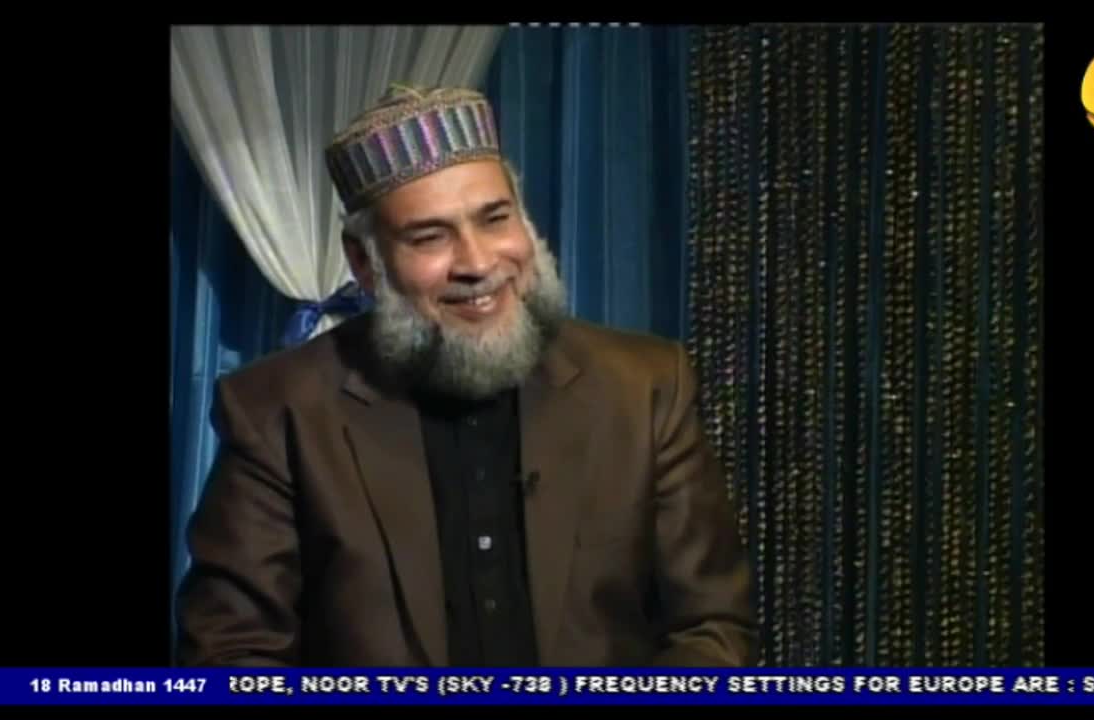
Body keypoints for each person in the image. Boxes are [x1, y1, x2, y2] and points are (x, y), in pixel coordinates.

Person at [174, 84, 757, 667]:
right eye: (430, 237)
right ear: (364, 262)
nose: (478, 264)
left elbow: (709, 628)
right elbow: (232, 655)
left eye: (496, 219)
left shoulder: (646, 386)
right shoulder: (277, 411)